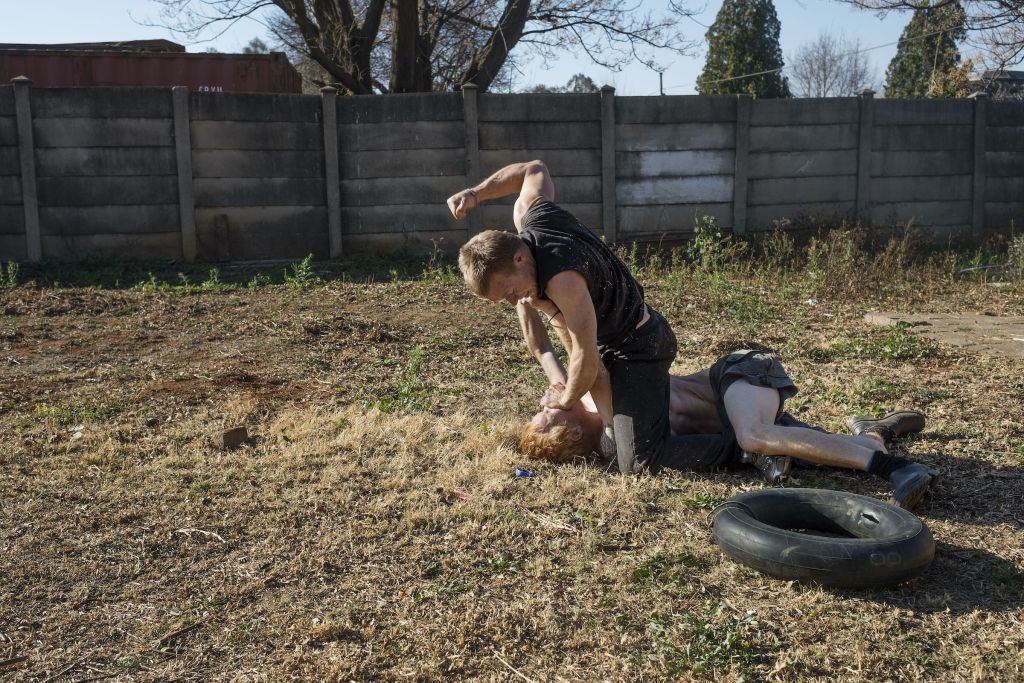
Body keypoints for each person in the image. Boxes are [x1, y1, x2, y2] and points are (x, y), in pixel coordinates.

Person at [449, 160, 729, 476]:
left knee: (641, 462)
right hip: (613, 344)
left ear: (519, 258)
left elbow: (586, 358)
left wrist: (566, 400)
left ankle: (741, 447)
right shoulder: (533, 215)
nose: (514, 300)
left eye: (509, 291)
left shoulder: (562, 281)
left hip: (638, 345)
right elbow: (534, 169)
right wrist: (476, 193)